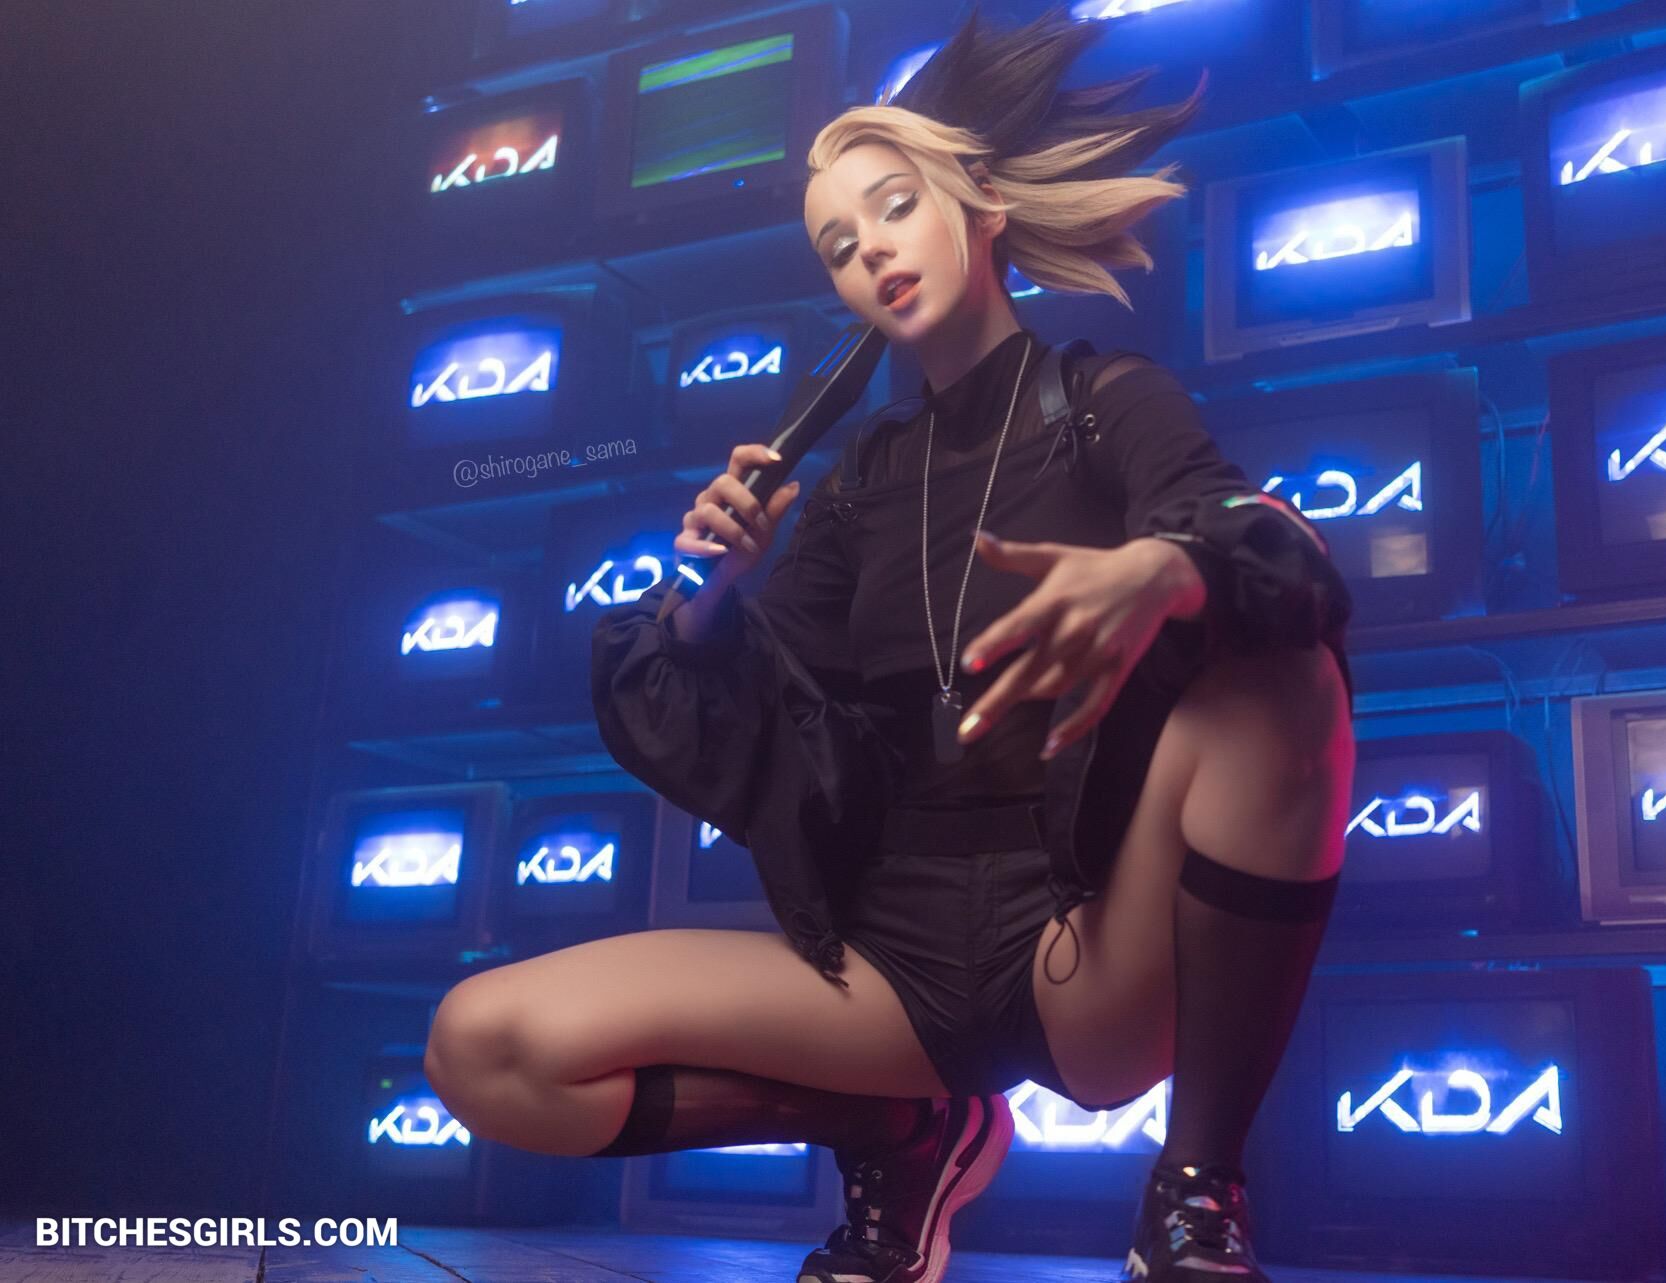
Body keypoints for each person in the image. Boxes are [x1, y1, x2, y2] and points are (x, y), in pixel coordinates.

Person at [422, 8, 1356, 1282]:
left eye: (893, 207)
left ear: (981, 205)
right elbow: (740, 722)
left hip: (1080, 949)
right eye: (836, 245)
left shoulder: (1104, 402)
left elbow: (1276, 554)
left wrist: (1164, 569)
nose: (867, 249)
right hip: (884, 969)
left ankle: (1194, 1190)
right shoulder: (855, 478)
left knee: (1284, 680)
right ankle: (904, 1130)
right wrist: (708, 597)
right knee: (483, 1045)